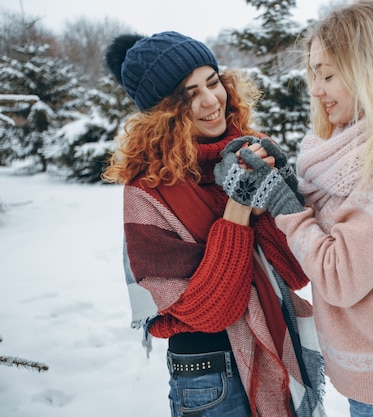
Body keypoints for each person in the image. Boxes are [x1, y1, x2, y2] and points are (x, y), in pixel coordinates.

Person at [213, 1, 373, 416]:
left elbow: (340, 274)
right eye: (314, 75)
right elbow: (334, 224)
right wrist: (287, 184)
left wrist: (285, 204)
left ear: (371, 71)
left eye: (327, 75)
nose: (316, 89)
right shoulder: (351, 149)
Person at [102, 31, 324, 417]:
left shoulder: (250, 152)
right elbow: (212, 311)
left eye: (213, 82)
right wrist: (239, 210)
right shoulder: (149, 191)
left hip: (280, 348)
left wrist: (274, 195)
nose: (211, 100)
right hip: (209, 381)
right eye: (189, 95)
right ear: (163, 113)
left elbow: (296, 270)